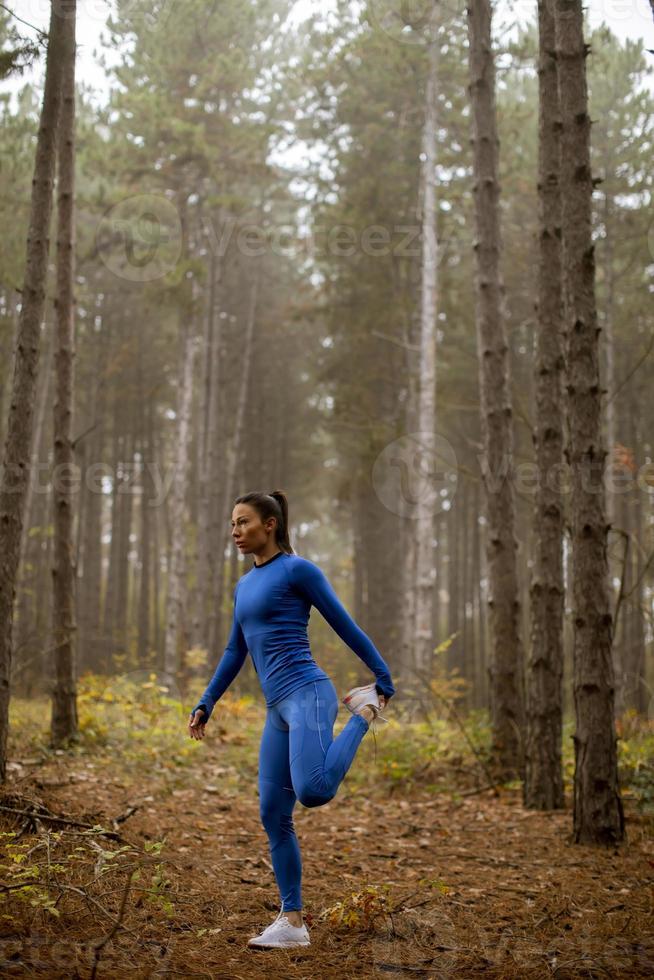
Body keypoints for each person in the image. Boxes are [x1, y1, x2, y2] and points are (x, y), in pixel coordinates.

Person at [188, 489, 396, 949]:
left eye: (243, 522)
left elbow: (343, 623)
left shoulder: (298, 570)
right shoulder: (244, 585)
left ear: (270, 525)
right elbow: (234, 650)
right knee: (272, 813)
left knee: (314, 790)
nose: (236, 531)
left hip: (308, 693)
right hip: (276, 707)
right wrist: (208, 700)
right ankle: (293, 922)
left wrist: (381, 676)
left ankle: (363, 711)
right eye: (232, 524)